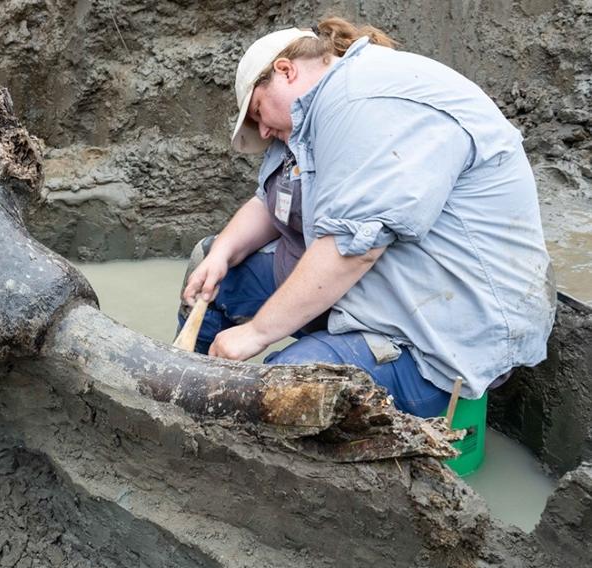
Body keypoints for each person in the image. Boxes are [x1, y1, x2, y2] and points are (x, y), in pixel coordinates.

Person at [180, 17, 555, 417]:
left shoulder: (364, 99)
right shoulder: (309, 119)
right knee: (217, 281)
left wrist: (255, 335)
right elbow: (270, 203)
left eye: (257, 113)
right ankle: (189, 405)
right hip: (372, 294)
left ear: (285, 71)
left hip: (437, 337)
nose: (264, 132)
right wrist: (221, 252)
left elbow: (353, 249)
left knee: (286, 390)